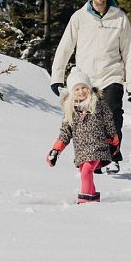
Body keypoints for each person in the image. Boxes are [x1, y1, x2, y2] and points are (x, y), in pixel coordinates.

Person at [50, 0, 131, 174]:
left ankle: (113, 156)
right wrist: (57, 77)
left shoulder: (119, 18)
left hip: (111, 76)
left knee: (114, 113)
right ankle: (96, 159)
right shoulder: (79, 17)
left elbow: (129, 52)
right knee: (90, 121)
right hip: (87, 80)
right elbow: (65, 47)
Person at [46, 68, 119, 203]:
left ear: (89, 88)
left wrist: (114, 141)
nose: (81, 92)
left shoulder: (99, 105)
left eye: (84, 88)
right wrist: (56, 150)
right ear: (72, 92)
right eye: (77, 89)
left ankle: (84, 202)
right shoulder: (71, 111)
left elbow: (109, 124)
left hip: (98, 147)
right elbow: (65, 133)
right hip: (81, 150)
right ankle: (93, 200)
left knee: (86, 172)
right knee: (86, 174)